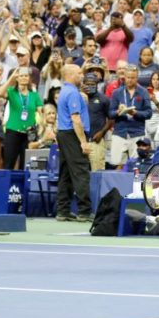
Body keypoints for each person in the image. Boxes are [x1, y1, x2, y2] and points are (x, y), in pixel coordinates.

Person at [56, 64, 92, 221]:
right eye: (79, 72)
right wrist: (83, 142)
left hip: (63, 134)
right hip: (72, 135)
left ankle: (63, 210)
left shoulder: (65, 91)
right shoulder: (72, 93)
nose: (82, 75)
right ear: (70, 75)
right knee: (81, 171)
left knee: (66, 173)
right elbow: (76, 119)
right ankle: (84, 211)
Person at [0, 66, 43, 171]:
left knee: (26, 165)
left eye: (26, 76)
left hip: (29, 134)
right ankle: (7, 186)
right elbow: (0, 93)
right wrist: (12, 77)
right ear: (17, 78)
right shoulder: (12, 92)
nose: (24, 78)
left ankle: (23, 187)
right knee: (9, 164)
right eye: (21, 76)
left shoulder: (34, 95)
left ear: (29, 78)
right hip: (13, 132)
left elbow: (41, 111)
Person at [108, 64, 151, 168]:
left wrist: (136, 113)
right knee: (117, 163)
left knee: (136, 165)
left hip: (137, 132)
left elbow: (149, 113)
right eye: (128, 77)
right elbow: (110, 113)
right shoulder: (117, 92)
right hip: (120, 132)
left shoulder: (143, 92)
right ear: (124, 77)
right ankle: (117, 184)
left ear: (137, 78)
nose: (130, 80)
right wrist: (118, 112)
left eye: (133, 78)